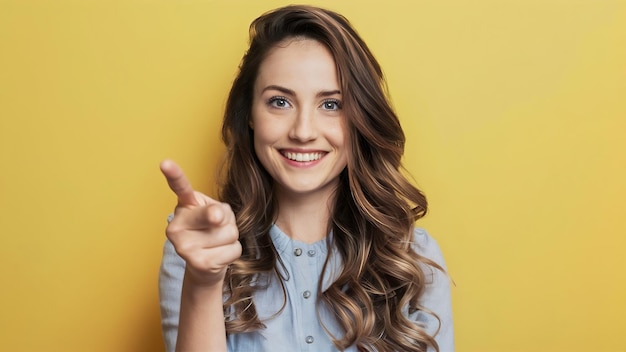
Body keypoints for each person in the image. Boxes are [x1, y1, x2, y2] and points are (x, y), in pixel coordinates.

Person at [159, 5, 453, 352]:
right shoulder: (198, 248)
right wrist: (206, 281)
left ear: (361, 119)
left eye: (331, 105)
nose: (303, 132)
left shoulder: (412, 258)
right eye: (280, 101)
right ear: (249, 114)